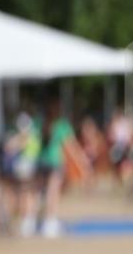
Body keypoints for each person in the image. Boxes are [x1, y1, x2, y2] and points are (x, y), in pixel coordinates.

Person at [35, 100, 91, 238]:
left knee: (37, 192)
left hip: (40, 161)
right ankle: (49, 222)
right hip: (55, 161)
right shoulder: (62, 125)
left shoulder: (39, 122)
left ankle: (31, 220)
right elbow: (72, 146)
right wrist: (83, 162)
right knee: (52, 192)